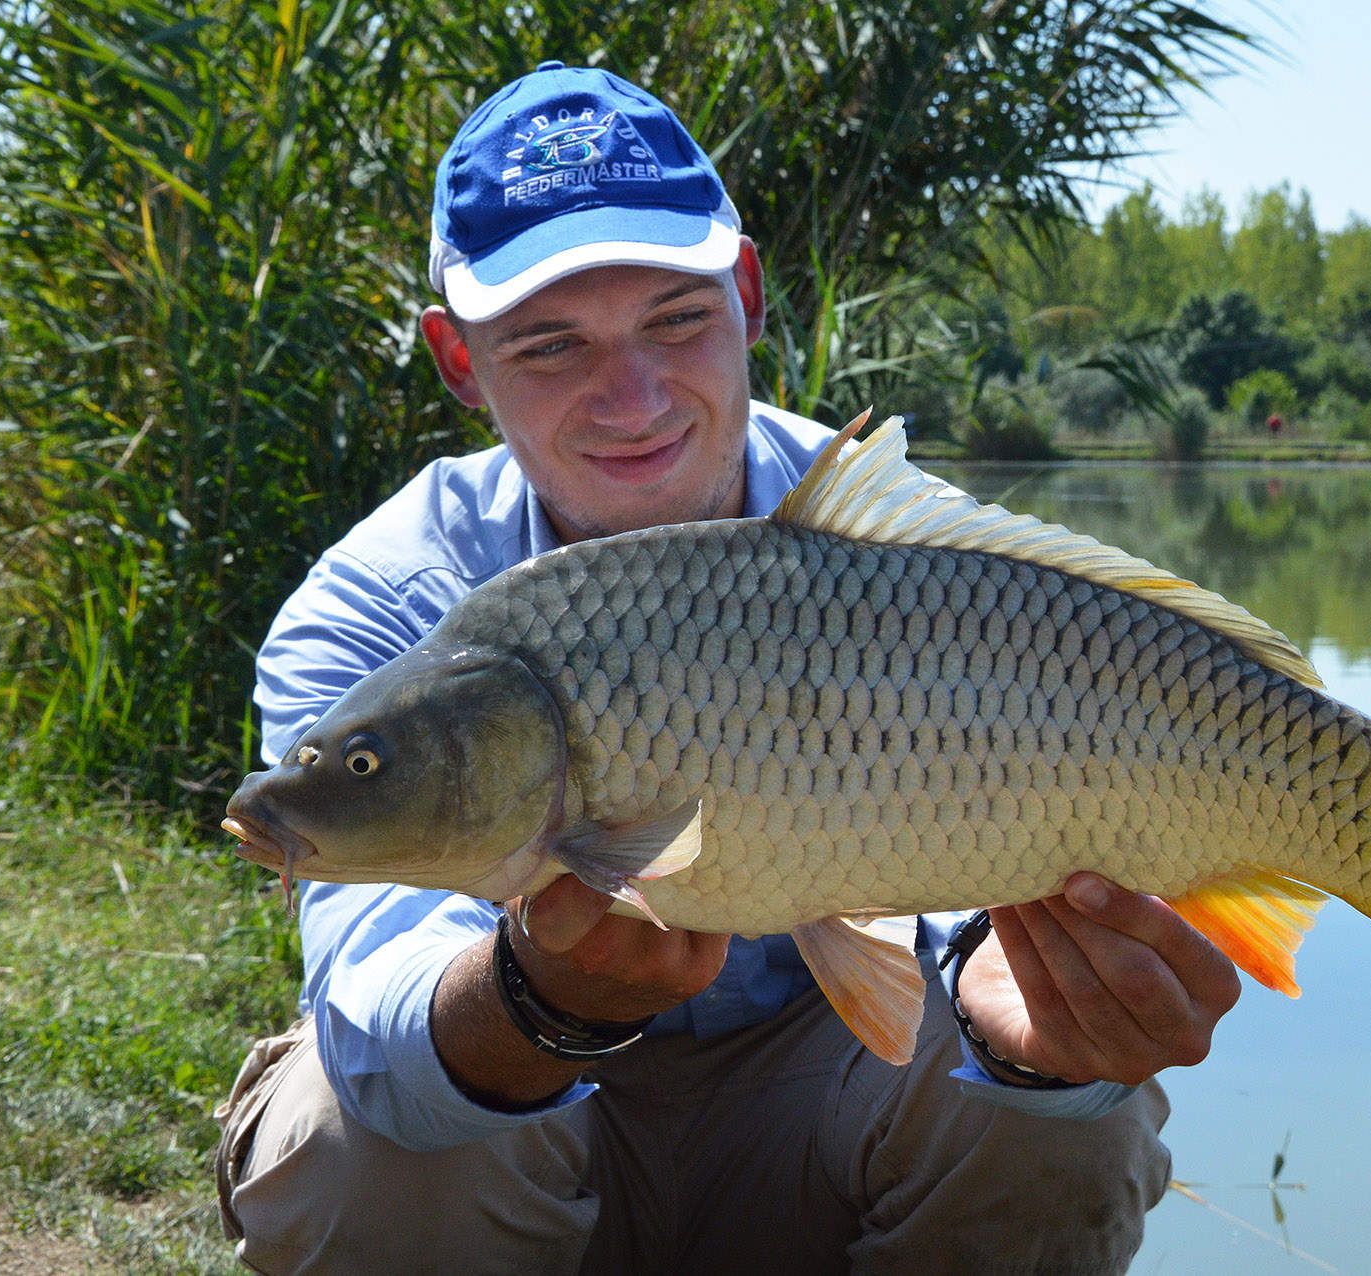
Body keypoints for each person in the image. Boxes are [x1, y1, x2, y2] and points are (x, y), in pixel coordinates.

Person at [215, 61, 1241, 1275]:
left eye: (678, 320)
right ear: (457, 357)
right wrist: (539, 996)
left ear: (747, 294)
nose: (634, 397)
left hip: (820, 1115)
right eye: (551, 346)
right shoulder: (385, 602)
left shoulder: (912, 554)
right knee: (348, 1134)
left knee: (1060, 1124)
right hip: (530, 1146)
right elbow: (376, 1011)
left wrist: (1023, 1037)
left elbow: (968, 927)